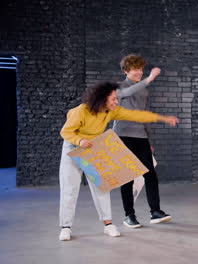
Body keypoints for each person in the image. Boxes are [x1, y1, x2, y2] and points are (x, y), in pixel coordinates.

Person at [59, 81, 178, 241]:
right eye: (114, 99)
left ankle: (108, 225)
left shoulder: (110, 111)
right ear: (102, 98)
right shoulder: (80, 111)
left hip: (93, 148)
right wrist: (79, 141)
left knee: (101, 188)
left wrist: (163, 118)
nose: (116, 101)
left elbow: (137, 115)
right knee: (70, 189)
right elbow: (65, 132)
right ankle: (66, 227)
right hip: (73, 148)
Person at [113, 54, 172, 228]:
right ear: (126, 71)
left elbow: (145, 116)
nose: (140, 72)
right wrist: (150, 78)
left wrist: (149, 139)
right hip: (123, 136)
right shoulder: (119, 87)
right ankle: (129, 215)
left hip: (141, 137)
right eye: (135, 69)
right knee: (127, 177)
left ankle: (155, 211)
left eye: (141, 69)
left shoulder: (144, 91)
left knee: (150, 175)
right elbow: (127, 92)